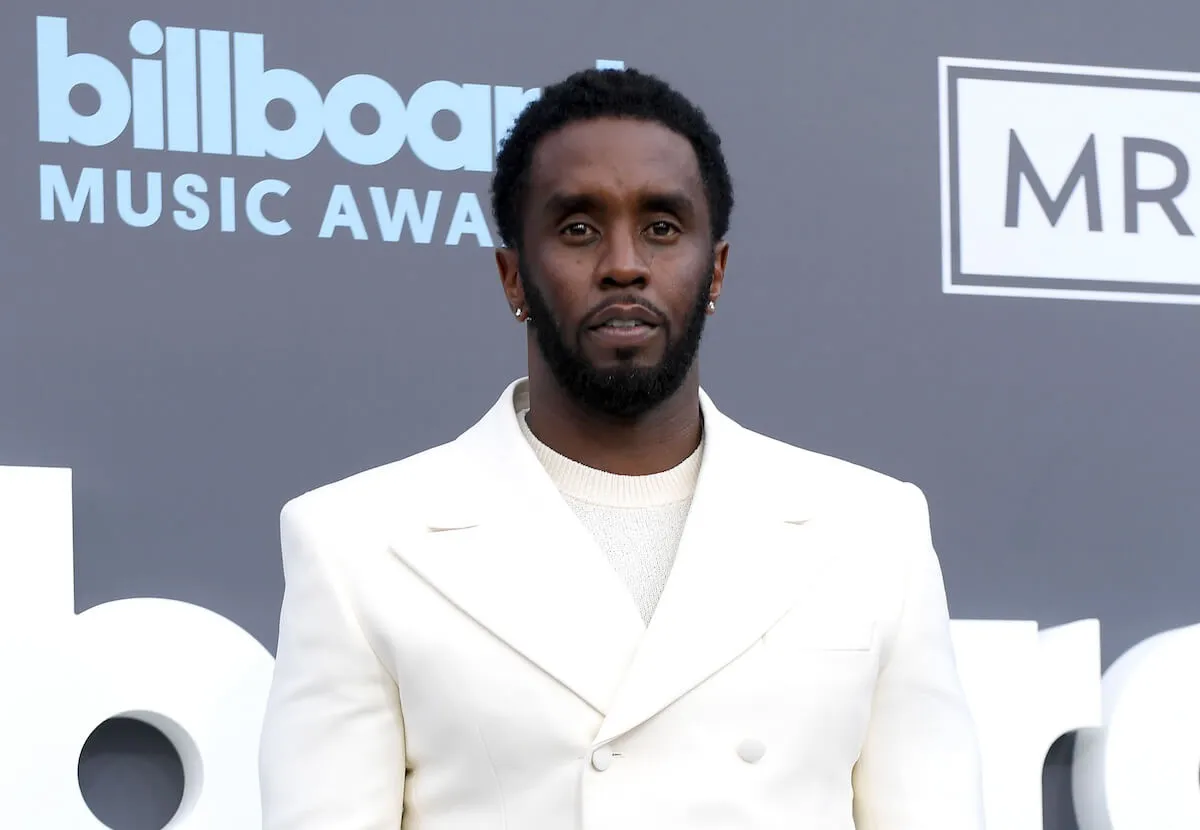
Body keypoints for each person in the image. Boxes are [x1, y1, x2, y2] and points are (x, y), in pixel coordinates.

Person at [258, 67, 985, 830]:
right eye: (578, 228)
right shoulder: (356, 544)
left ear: (717, 272)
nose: (624, 263)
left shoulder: (872, 532)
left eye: (662, 227)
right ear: (512, 277)